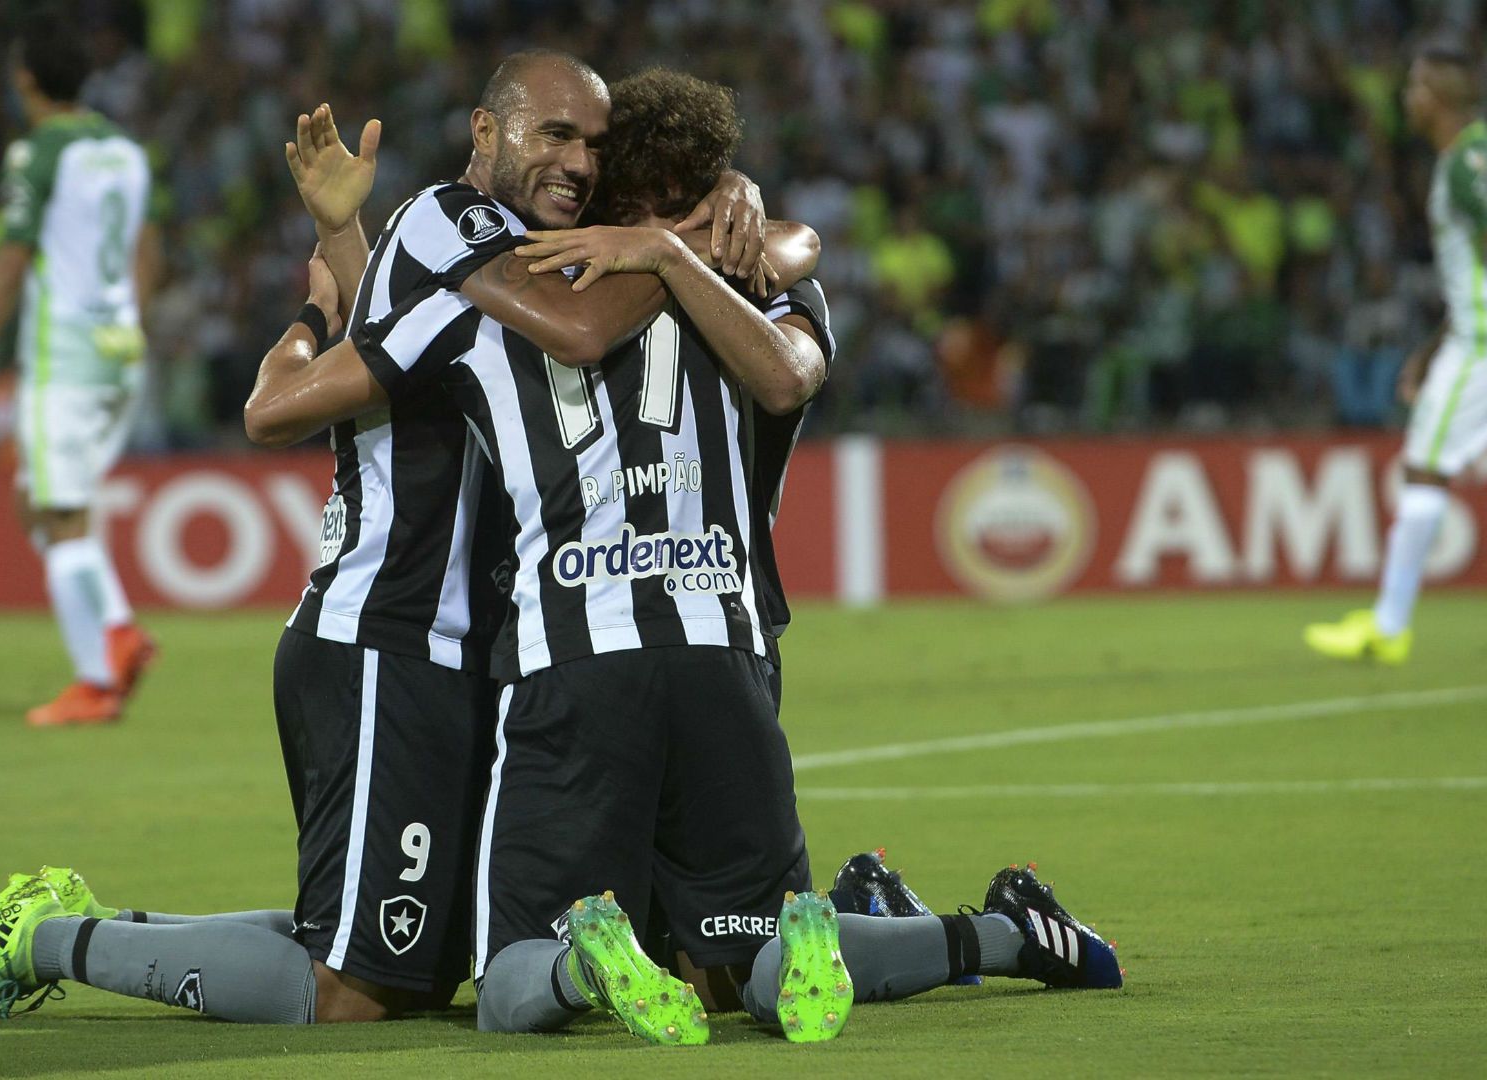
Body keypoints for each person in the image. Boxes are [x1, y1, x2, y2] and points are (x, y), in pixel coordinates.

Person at [0, 50, 776, 1027]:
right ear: (487, 133)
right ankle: (41, 940)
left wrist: (723, 192)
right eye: (555, 135)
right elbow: (319, 392)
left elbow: (411, 341)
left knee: (424, 956)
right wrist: (693, 231)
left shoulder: (533, 253)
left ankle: (109, 922)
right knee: (356, 993)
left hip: (484, 649)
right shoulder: (461, 225)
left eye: (594, 148)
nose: (578, 162)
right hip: (390, 637)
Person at [252, 67, 1123, 1045]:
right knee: (722, 962)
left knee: (566, 967)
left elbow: (307, 394)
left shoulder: (531, 293)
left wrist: (332, 288)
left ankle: (884, 922)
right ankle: (962, 930)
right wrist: (707, 236)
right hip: (729, 628)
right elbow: (790, 352)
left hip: (582, 644)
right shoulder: (764, 274)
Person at [1306, 43, 1487, 668]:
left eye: (1415, 87)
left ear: (1440, 98)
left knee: (1424, 469)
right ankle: (1388, 624)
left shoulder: (1464, 165)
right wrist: (1429, 351)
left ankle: (1388, 627)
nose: (1406, 98)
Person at [0, 13, 161, 726]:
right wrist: (132, 324)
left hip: (64, 357)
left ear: (26, 80)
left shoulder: (39, 152)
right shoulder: (127, 151)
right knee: (32, 498)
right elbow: (148, 252)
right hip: (119, 352)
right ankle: (120, 630)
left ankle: (96, 681)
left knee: (60, 512)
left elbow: (11, 258)